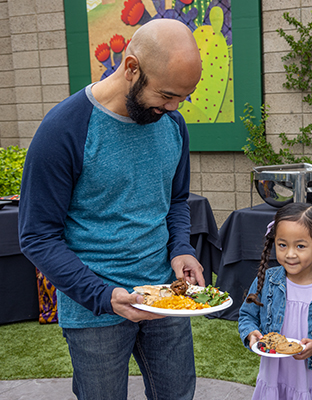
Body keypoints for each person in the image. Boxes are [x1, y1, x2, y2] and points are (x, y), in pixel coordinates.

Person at [19, 19, 204, 400]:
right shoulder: (63, 130)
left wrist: (181, 247)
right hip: (94, 308)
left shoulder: (172, 124)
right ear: (131, 66)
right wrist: (104, 296)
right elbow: (37, 237)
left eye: (182, 98)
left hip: (166, 297)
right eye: (167, 94)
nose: (173, 107)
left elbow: (175, 201)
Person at [238, 203, 312, 399]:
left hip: (311, 380)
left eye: (300, 246)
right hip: (272, 376)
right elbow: (247, 315)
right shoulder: (267, 281)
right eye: (282, 245)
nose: (290, 254)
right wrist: (251, 333)